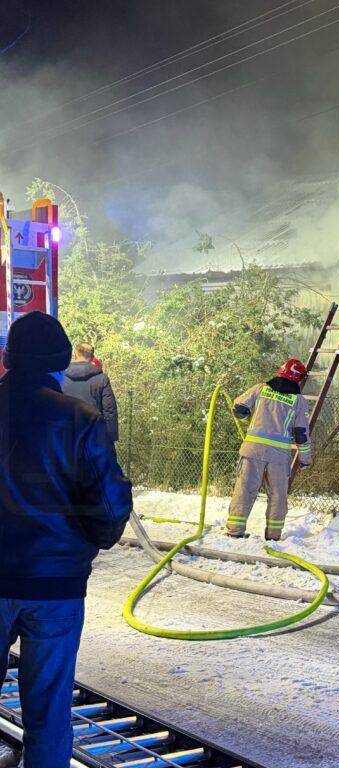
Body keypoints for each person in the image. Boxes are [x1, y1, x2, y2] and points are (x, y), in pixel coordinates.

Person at [0, 312, 133, 768]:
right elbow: (110, 513)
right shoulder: (80, 419)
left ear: (7, 358)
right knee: (50, 713)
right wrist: (86, 541)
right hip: (56, 588)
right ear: (62, 363)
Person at [226, 359, 312, 541]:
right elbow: (301, 434)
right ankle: (273, 536)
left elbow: (239, 408)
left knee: (244, 490)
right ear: (297, 378)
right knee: (277, 495)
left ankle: (234, 531)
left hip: (252, 451)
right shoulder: (298, 401)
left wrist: (250, 418)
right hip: (279, 456)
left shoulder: (260, 389)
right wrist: (305, 459)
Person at [62, 342, 119, 442]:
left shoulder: (61, 378)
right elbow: (109, 410)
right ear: (92, 357)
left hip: (66, 434)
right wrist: (110, 437)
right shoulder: (102, 379)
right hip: (93, 434)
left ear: (75, 355)